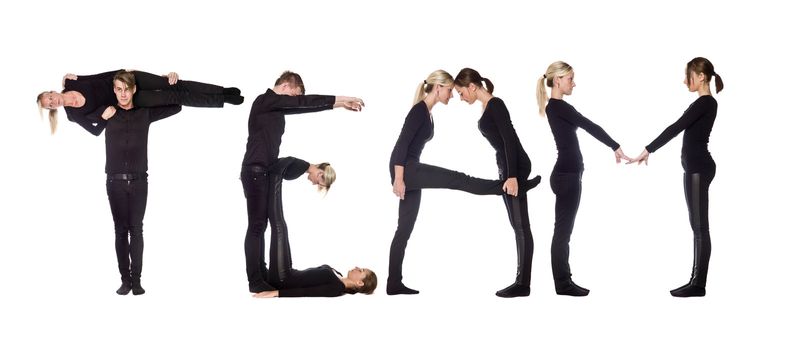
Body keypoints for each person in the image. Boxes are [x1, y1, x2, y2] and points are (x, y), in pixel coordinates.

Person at [387, 70, 541, 296]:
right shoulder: (419, 110)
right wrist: (399, 178)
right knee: (457, 179)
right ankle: (503, 187)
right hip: (407, 171)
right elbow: (402, 144)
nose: (452, 96)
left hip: (410, 171)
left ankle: (394, 283)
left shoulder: (427, 111)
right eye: (450, 91)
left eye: (456, 92)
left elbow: (507, 137)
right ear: (438, 87)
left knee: (404, 228)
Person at [241, 71, 364, 293]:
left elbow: (303, 105)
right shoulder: (266, 100)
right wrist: (340, 100)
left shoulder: (275, 107)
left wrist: (336, 105)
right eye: (294, 95)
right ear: (287, 86)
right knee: (257, 227)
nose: (295, 101)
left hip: (260, 171)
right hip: (256, 170)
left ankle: (262, 275)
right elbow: (304, 103)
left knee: (261, 226)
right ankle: (255, 280)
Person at [627, 57, 723, 298]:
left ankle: (697, 284)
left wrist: (648, 149)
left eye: (688, 75)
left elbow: (676, 127)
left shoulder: (706, 102)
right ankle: (695, 281)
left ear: (701, 76)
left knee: (700, 228)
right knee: (697, 227)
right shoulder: (702, 103)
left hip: (699, 168)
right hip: (695, 169)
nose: (684, 81)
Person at [536, 61, 630, 296]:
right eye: (570, 79)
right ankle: (563, 284)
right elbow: (589, 125)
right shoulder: (558, 107)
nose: (574, 83)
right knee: (562, 234)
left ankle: (563, 282)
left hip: (565, 174)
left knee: (562, 232)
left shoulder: (555, 107)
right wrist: (614, 145)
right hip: (567, 176)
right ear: (557, 80)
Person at [454, 68, 539, 298]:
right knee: (516, 226)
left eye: (461, 93)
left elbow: (509, 139)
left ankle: (523, 284)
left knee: (522, 227)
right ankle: (522, 282)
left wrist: (512, 177)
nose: (461, 98)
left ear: (472, 86)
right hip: (508, 169)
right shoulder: (486, 107)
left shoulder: (496, 104)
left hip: (516, 169)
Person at [103, 71, 183, 295]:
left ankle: (136, 280)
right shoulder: (107, 113)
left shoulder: (144, 113)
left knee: (136, 230)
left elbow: (176, 105)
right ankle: (124, 280)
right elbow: (77, 109)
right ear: (114, 91)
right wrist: (69, 80)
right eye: (118, 89)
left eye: (127, 89)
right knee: (120, 231)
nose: (123, 94)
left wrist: (165, 81)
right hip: (114, 182)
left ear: (134, 89)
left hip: (139, 182)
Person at [252, 157, 377, 298]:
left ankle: (275, 175)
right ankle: (272, 176)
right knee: (280, 226)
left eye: (361, 270)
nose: (357, 267)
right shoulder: (338, 278)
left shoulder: (336, 289)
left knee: (279, 225)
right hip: (288, 272)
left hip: (283, 279)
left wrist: (275, 293)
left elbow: (306, 292)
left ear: (360, 283)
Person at [37, 69, 243, 135]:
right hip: (128, 98)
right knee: (175, 97)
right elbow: (96, 130)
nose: (53, 102)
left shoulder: (73, 81)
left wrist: (124, 70)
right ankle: (222, 100)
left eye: (50, 98)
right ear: (51, 110)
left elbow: (99, 76)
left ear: (53, 91)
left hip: (126, 78)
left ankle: (222, 90)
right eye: (49, 105)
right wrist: (103, 117)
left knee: (174, 83)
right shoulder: (74, 116)